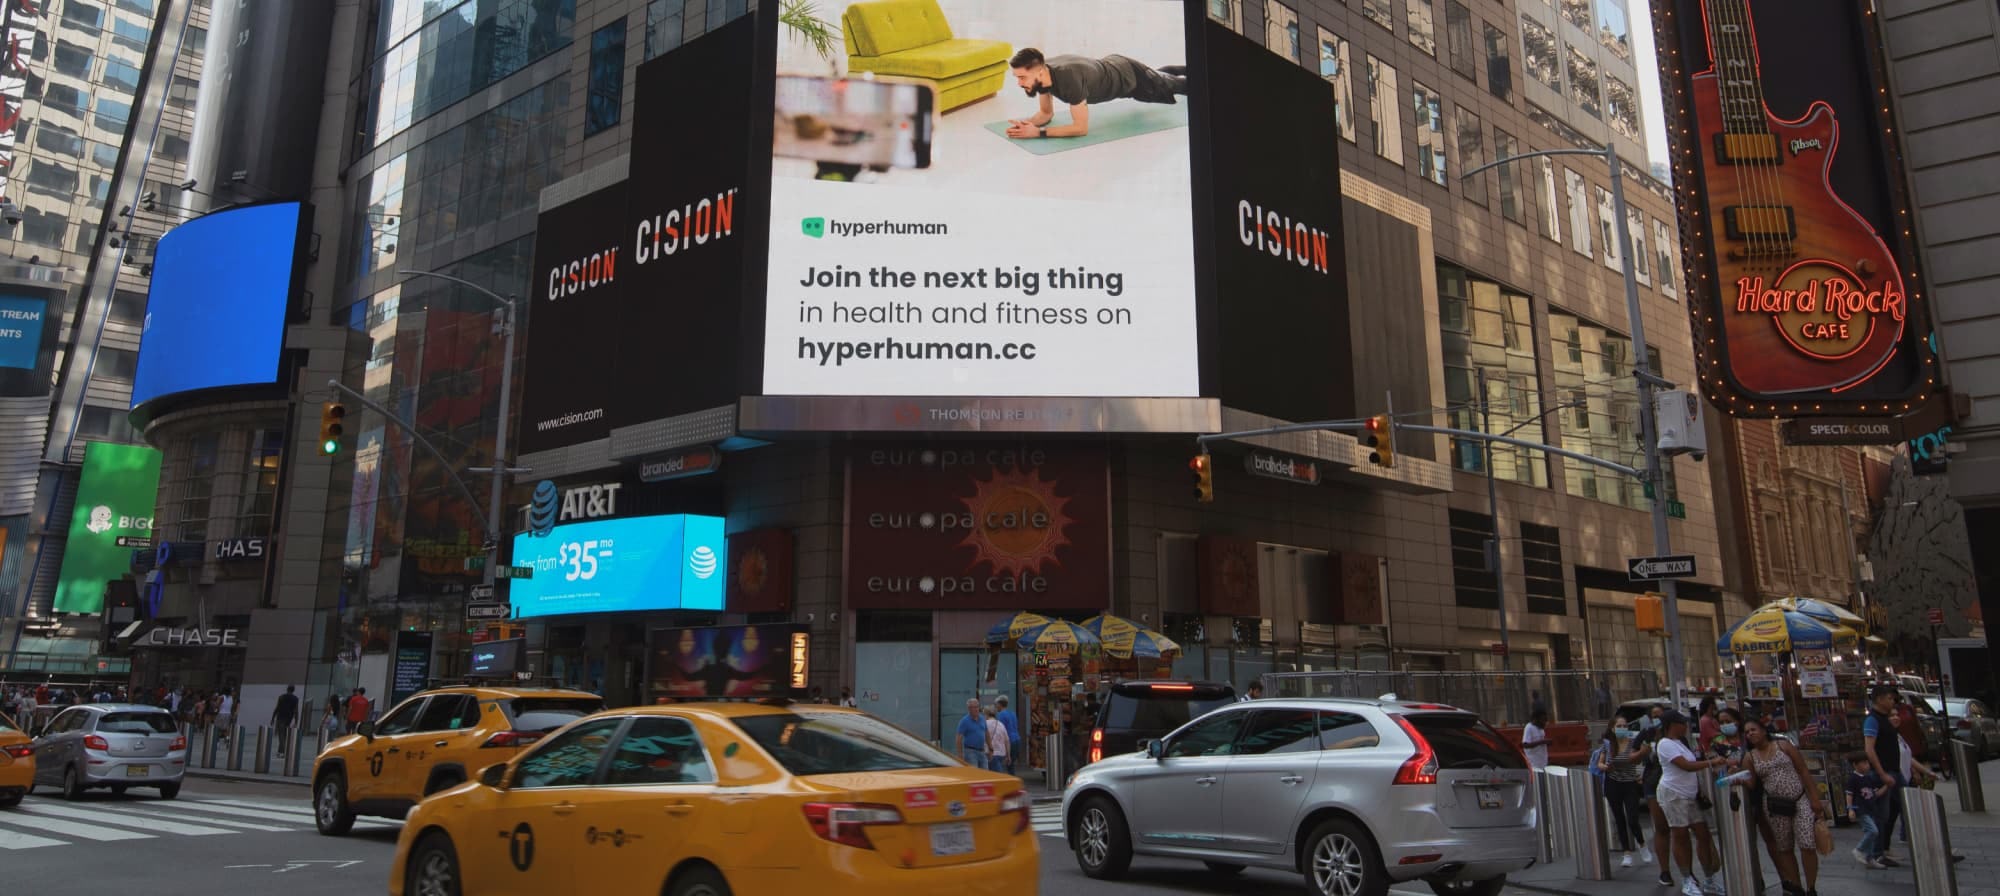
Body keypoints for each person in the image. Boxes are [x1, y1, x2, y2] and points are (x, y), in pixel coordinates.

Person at [1002, 47, 1188, 140]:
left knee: (1179, 86)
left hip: (1129, 77)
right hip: (1113, 66)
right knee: (1162, 78)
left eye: (1022, 77)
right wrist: (1029, 124)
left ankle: (1212, 76)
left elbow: (1080, 128)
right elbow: (1046, 113)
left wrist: (1038, 134)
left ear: (1039, 72)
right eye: (1017, 77)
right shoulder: (1042, 75)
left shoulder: (1069, 80)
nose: (1019, 83)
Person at [1738, 716, 1828, 896]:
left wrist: (1815, 799)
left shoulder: (1784, 746)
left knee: (1807, 844)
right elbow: (1752, 783)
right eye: (1747, 732)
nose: (1750, 734)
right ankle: (1796, 886)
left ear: (1763, 730)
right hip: (1774, 806)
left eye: (1753, 729)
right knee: (1784, 847)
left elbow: (1803, 770)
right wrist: (1738, 778)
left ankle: (1811, 887)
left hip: (1799, 799)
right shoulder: (1750, 757)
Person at [1655, 711, 1724, 896]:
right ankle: (1687, 878)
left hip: (1691, 794)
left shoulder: (1681, 743)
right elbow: (1685, 765)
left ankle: (1709, 878)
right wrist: (1710, 763)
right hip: (1673, 794)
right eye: (1683, 723)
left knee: (1703, 834)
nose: (1686, 727)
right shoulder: (1665, 744)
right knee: (1680, 835)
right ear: (1672, 724)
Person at [1598, 718, 1653, 869]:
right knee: (1619, 818)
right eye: (1619, 726)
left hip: (1629, 784)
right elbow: (1600, 763)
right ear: (1613, 728)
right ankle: (1626, 853)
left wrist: (1642, 752)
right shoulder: (1608, 744)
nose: (1622, 728)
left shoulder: (1633, 742)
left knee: (1632, 818)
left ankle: (1642, 845)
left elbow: (1635, 761)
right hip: (1613, 784)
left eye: (1625, 725)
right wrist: (1605, 767)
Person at [1861, 685, 1903, 868]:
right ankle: (1874, 853)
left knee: (1889, 813)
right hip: (1883, 774)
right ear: (1878, 699)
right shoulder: (1873, 720)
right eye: (1889, 698)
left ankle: (1878, 851)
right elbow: (1869, 749)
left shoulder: (1885, 720)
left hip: (1893, 772)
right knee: (1881, 814)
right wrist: (1881, 773)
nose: (1892, 701)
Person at [1846, 753, 1886, 868]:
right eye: (1864, 763)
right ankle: (1859, 850)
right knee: (1873, 831)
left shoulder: (1868, 778)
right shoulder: (1853, 779)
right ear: (1855, 765)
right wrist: (1850, 810)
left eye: (1868, 763)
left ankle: (1869, 858)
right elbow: (1849, 795)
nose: (1867, 765)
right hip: (1861, 810)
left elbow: (1876, 794)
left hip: (1870, 809)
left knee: (1872, 834)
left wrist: (1887, 786)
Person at [954, 698, 987, 767]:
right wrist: (960, 754)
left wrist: (991, 747)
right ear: (969, 709)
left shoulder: (982, 718)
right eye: (973, 707)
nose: (976, 709)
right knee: (974, 773)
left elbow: (987, 732)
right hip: (970, 751)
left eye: (977, 707)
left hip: (982, 751)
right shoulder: (964, 721)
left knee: (985, 773)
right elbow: (959, 738)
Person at [995, 695, 1021, 775]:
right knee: (1010, 764)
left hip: (1009, 742)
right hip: (1017, 740)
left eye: (996, 704)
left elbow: (1000, 730)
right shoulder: (1012, 713)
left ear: (1000, 704)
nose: (996, 707)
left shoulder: (1001, 715)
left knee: (1004, 763)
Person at [271, 685, 299, 757]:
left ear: (287, 689)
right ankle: (280, 751)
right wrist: (296, 721)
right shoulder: (295, 699)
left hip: (280, 717)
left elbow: (277, 708)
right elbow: (296, 711)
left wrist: (273, 718)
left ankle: (282, 752)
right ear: (293, 690)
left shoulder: (281, 697)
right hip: (289, 718)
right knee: (284, 735)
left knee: (281, 735)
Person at [984, 705, 1010, 773]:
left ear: (986, 714)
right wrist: (1008, 755)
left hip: (989, 753)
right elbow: (1007, 741)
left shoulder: (984, 724)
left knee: (994, 775)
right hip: (1001, 754)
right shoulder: (1001, 724)